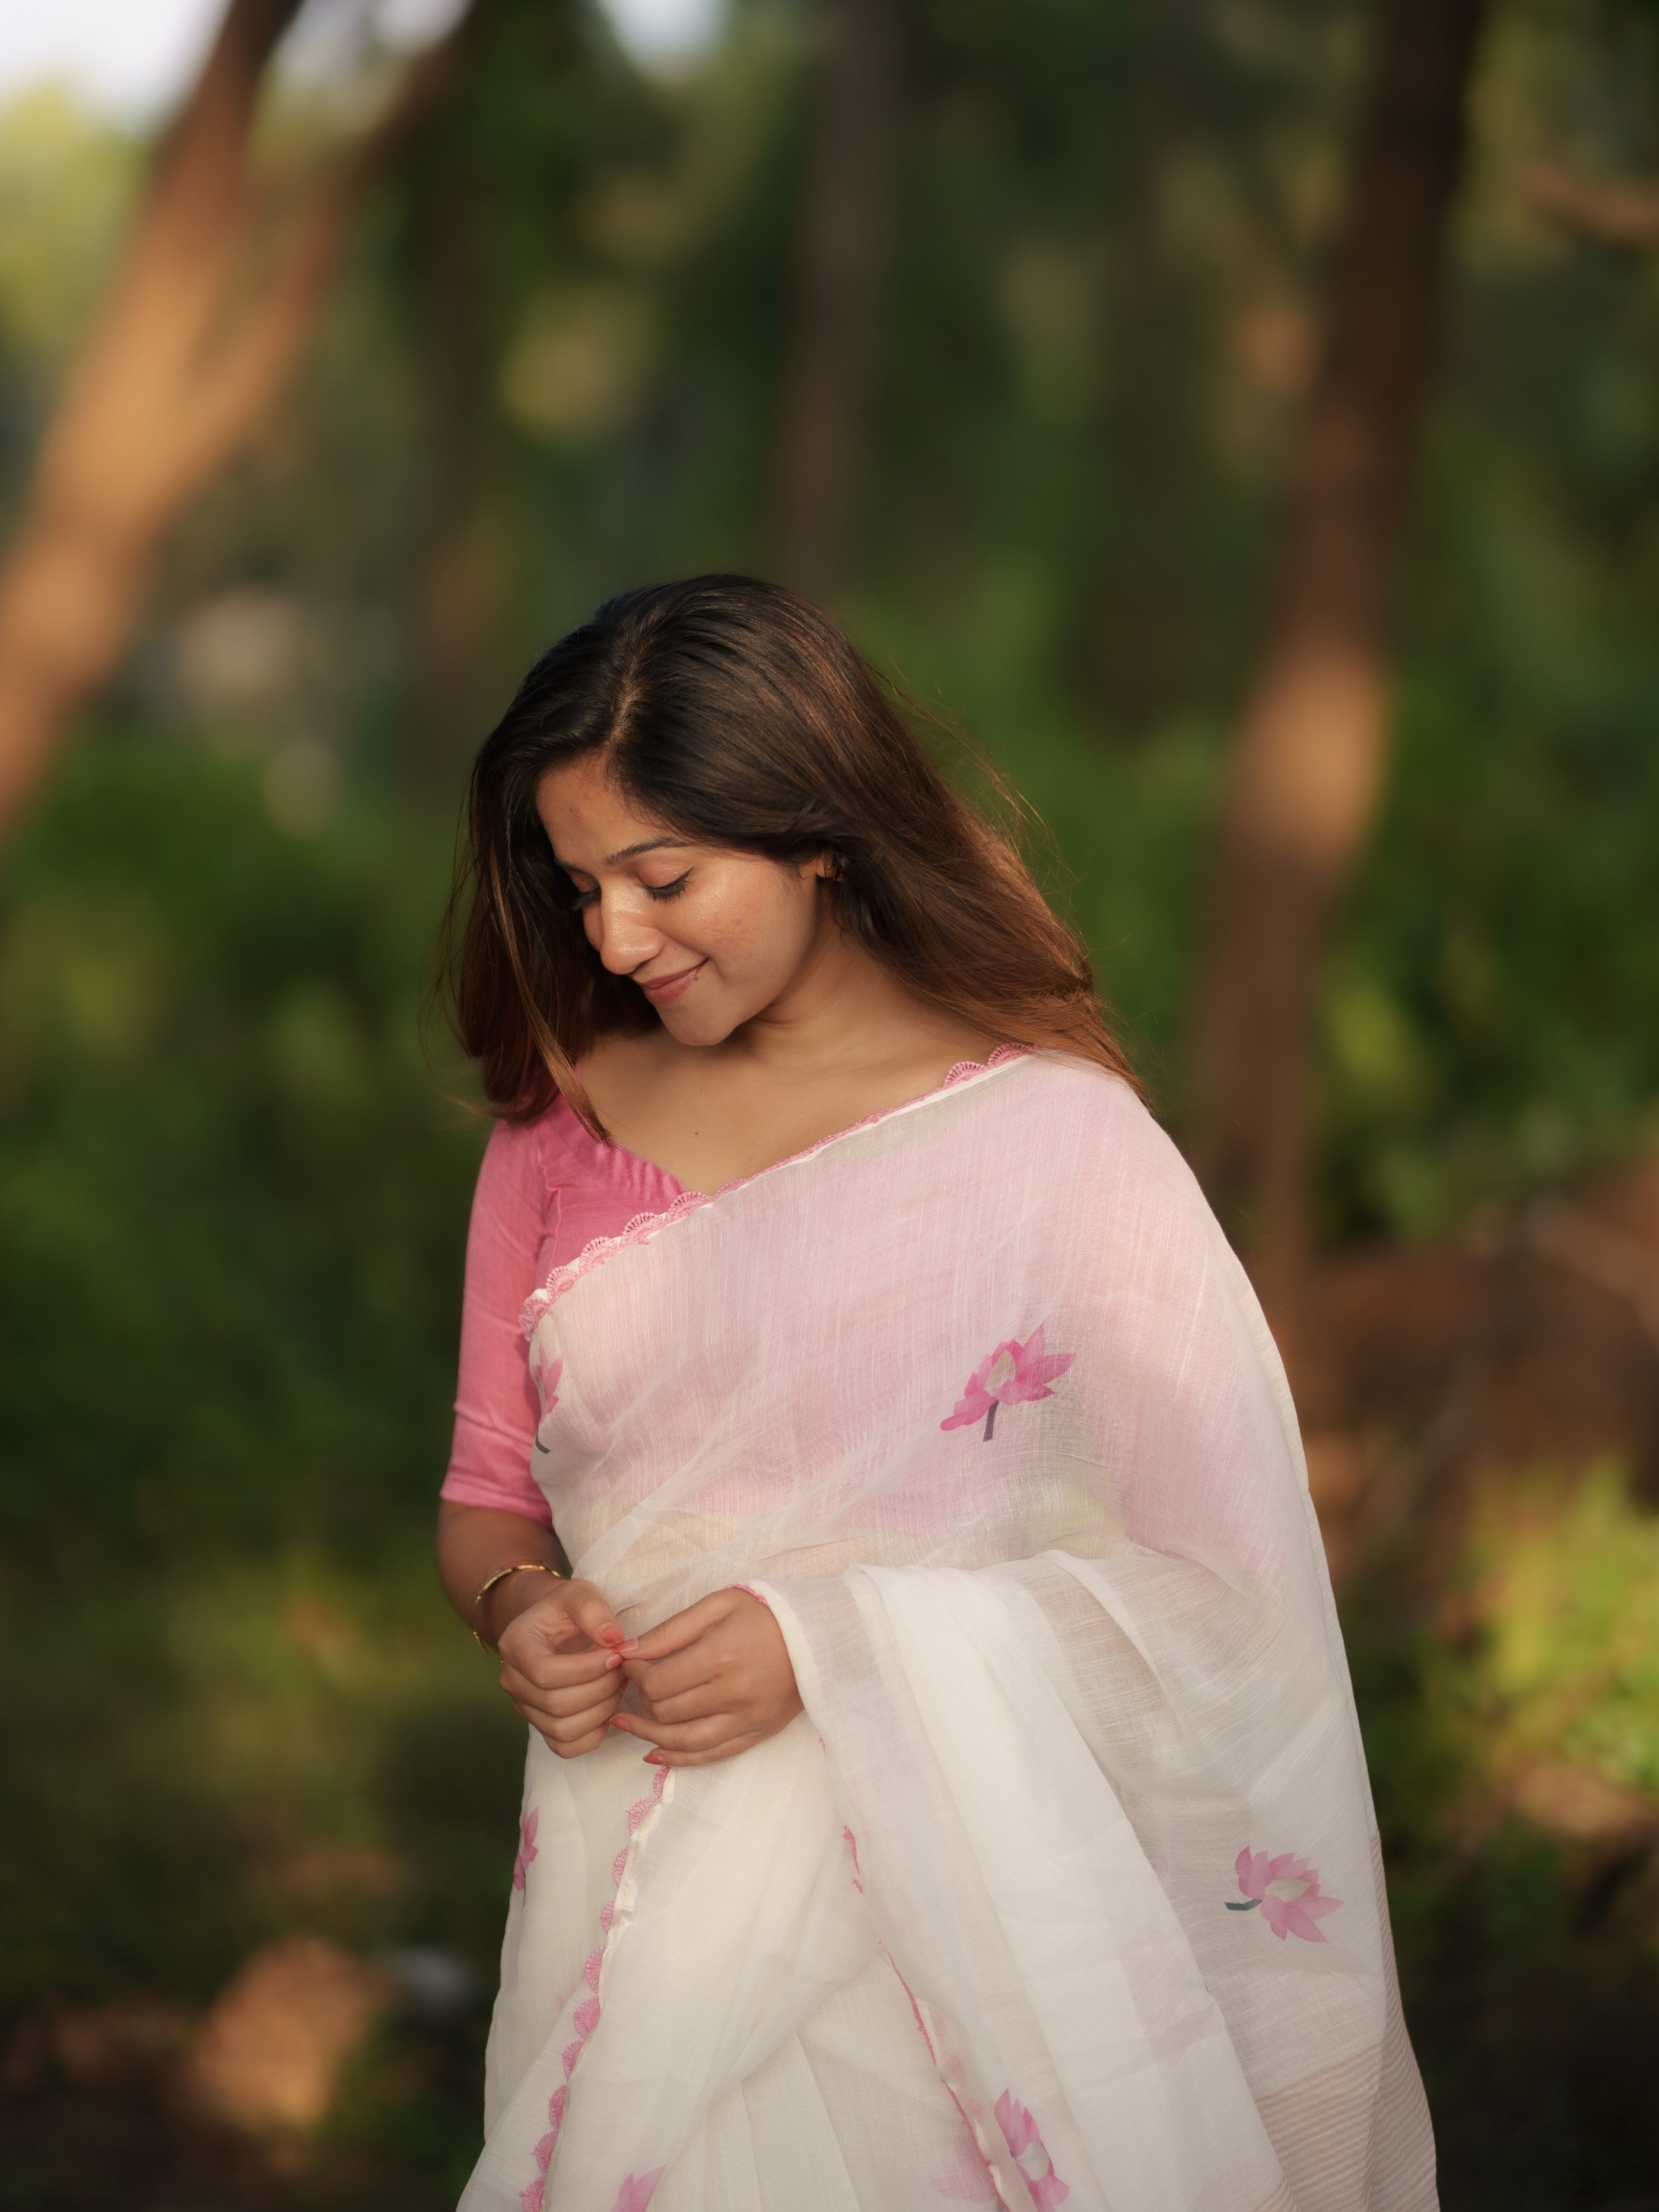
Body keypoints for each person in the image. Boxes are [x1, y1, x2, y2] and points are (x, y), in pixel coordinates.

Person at [435, 575, 1436, 2212]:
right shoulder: (559, 1129)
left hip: (960, 1938)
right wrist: (520, 1606)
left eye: (663, 876)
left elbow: (1222, 1600)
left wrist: (829, 1649)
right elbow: (485, 1499)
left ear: (814, 832)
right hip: (630, 1893)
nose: (613, 936)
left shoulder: (1055, 1147)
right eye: (578, 886)